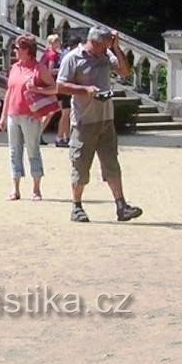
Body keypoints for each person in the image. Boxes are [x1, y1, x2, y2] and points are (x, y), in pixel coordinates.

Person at [57, 25, 143, 223]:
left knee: (112, 163)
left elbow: (124, 71)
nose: (106, 49)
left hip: (106, 119)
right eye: (104, 46)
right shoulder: (73, 58)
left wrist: (116, 47)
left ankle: (121, 206)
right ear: (93, 42)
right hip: (83, 121)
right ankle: (76, 207)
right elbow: (60, 86)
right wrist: (85, 90)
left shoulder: (106, 55)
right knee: (81, 165)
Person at [0, 34, 56, 201]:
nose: (15, 51)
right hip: (13, 114)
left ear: (27, 50)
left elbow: (54, 89)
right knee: (13, 151)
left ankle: (36, 189)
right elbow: (9, 91)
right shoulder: (15, 67)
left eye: (17, 48)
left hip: (30, 115)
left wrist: (37, 89)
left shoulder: (39, 68)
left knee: (32, 150)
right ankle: (15, 188)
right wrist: (3, 115)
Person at [53, 35, 82, 147]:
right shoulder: (71, 55)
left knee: (66, 113)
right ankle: (60, 137)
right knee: (66, 113)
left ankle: (66, 137)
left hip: (61, 86)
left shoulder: (64, 53)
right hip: (65, 86)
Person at [38, 34, 63, 143]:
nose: (59, 43)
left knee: (49, 111)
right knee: (51, 112)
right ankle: (38, 134)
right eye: (57, 41)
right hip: (52, 84)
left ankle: (38, 134)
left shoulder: (46, 54)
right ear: (52, 43)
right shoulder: (52, 55)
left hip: (46, 84)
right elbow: (50, 70)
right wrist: (62, 70)